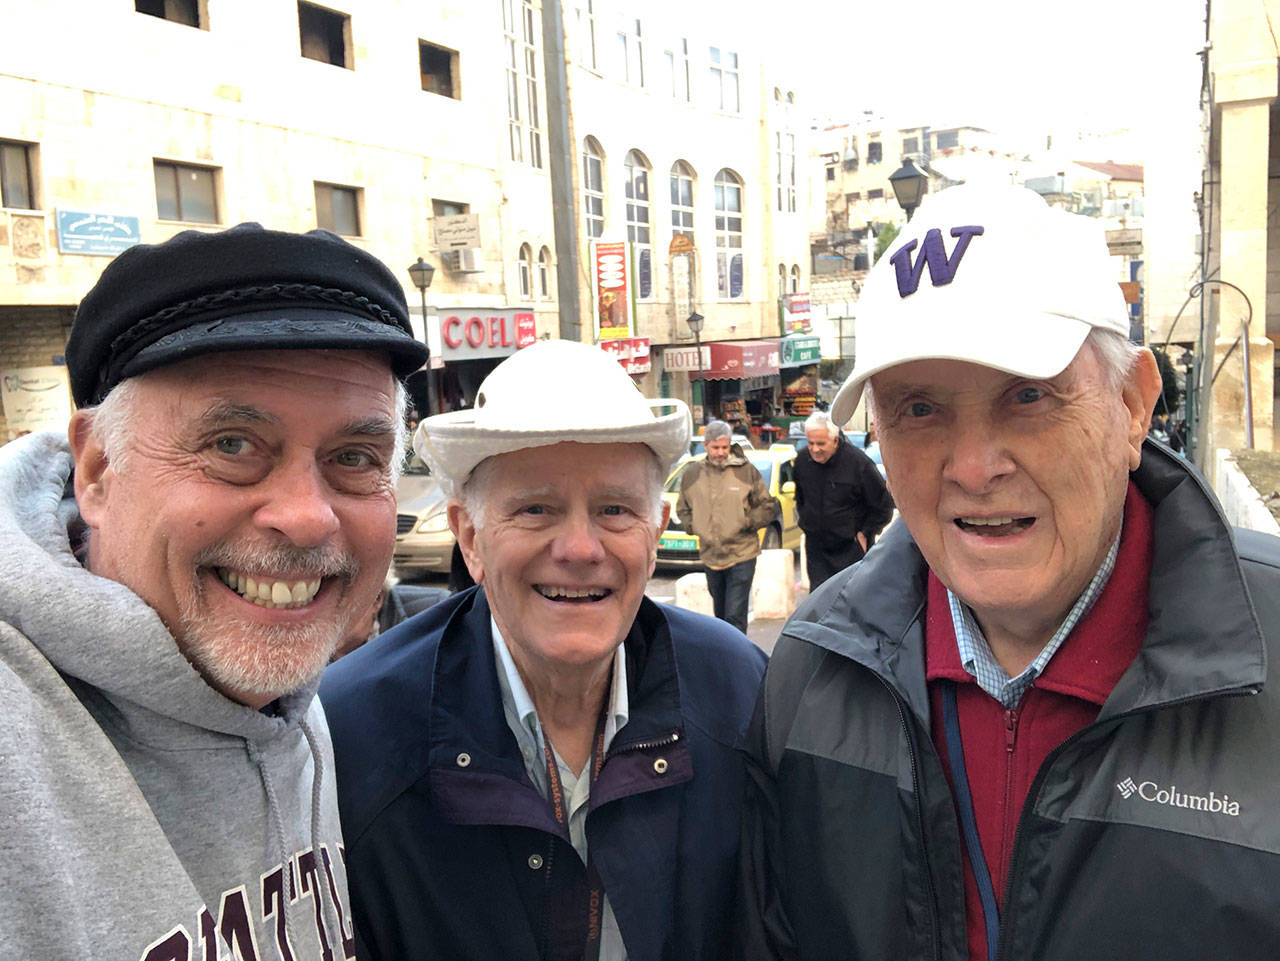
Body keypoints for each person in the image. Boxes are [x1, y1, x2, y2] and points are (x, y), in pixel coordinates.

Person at [739, 184, 1280, 960]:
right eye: (918, 409)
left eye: (1028, 396)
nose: (974, 467)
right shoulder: (813, 672)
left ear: (1134, 404)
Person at [0, 223, 427, 960]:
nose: (306, 516)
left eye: (355, 457)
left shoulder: (286, 687)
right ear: (98, 470)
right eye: (232, 445)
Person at [321, 340, 768, 961]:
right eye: (536, 510)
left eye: (614, 509)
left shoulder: (736, 687)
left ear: (656, 528)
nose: (581, 548)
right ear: (470, 538)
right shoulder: (354, 733)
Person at [676, 419, 780, 633]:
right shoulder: (692, 474)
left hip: (742, 553)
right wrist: (694, 526)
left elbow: (767, 506)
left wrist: (746, 522)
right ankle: (726, 656)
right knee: (720, 617)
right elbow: (683, 507)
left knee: (735, 615)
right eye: (715, 447)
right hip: (711, 556)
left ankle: (738, 661)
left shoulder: (746, 471)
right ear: (705, 446)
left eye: (725, 447)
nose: (721, 452)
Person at [792, 409, 894, 587]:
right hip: (816, 549)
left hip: (850, 549)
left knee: (849, 603)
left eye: (821, 444)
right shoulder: (802, 462)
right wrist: (806, 524)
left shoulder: (859, 464)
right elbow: (801, 498)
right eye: (811, 443)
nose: (815, 450)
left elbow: (883, 505)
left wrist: (865, 533)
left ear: (835, 440)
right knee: (819, 604)